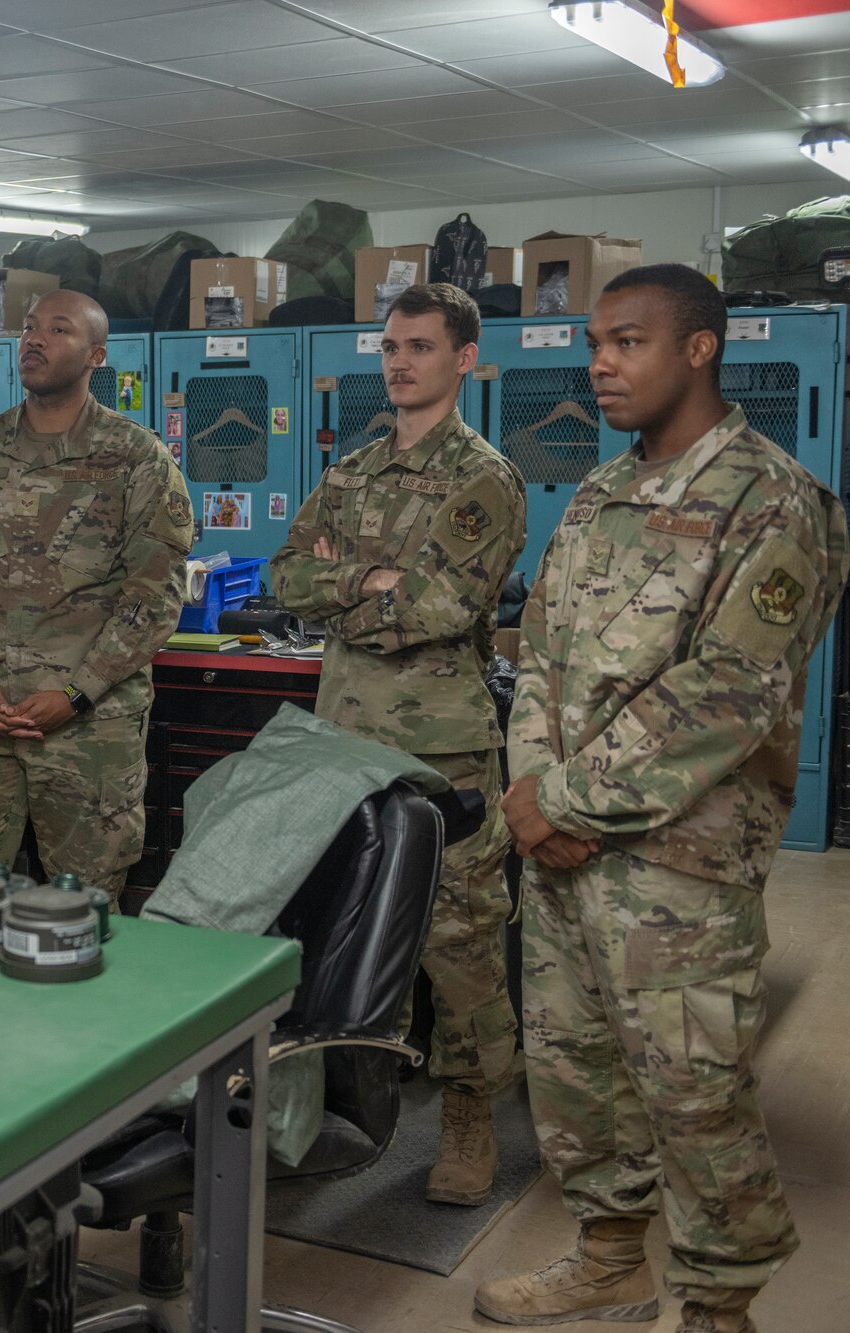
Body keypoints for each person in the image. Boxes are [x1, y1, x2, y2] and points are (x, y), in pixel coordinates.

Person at [476, 265, 847, 1333]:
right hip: (560, 846)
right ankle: (605, 1259)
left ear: (699, 348)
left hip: (677, 866)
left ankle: (716, 1306)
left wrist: (562, 804)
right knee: (575, 1071)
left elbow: (725, 692)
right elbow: (535, 650)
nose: (599, 362)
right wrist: (529, 791)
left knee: (693, 1093)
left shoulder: (774, 502)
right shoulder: (595, 495)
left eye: (626, 341)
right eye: (594, 341)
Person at [270, 283, 526, 1207]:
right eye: (389, 346)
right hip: (342, 738)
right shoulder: (351, 471)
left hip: (441, 746)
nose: (398, 362)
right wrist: (373, 583)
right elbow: (286, 577)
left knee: (455, 935)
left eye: (419, 346)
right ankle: (350, 1098)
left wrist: (359, 593)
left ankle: (469, 1113)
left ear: (464, 358)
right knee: (345, 921)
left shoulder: (485, 478)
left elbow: (447, 607)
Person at [0, 289, 193, 903]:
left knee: (85, 908)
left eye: (59, 330)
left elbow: (152, 597)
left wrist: (78, 692)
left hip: (87, 728)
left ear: (96, 355)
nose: (35, 339)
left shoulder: (136, 457)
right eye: (29, 327)